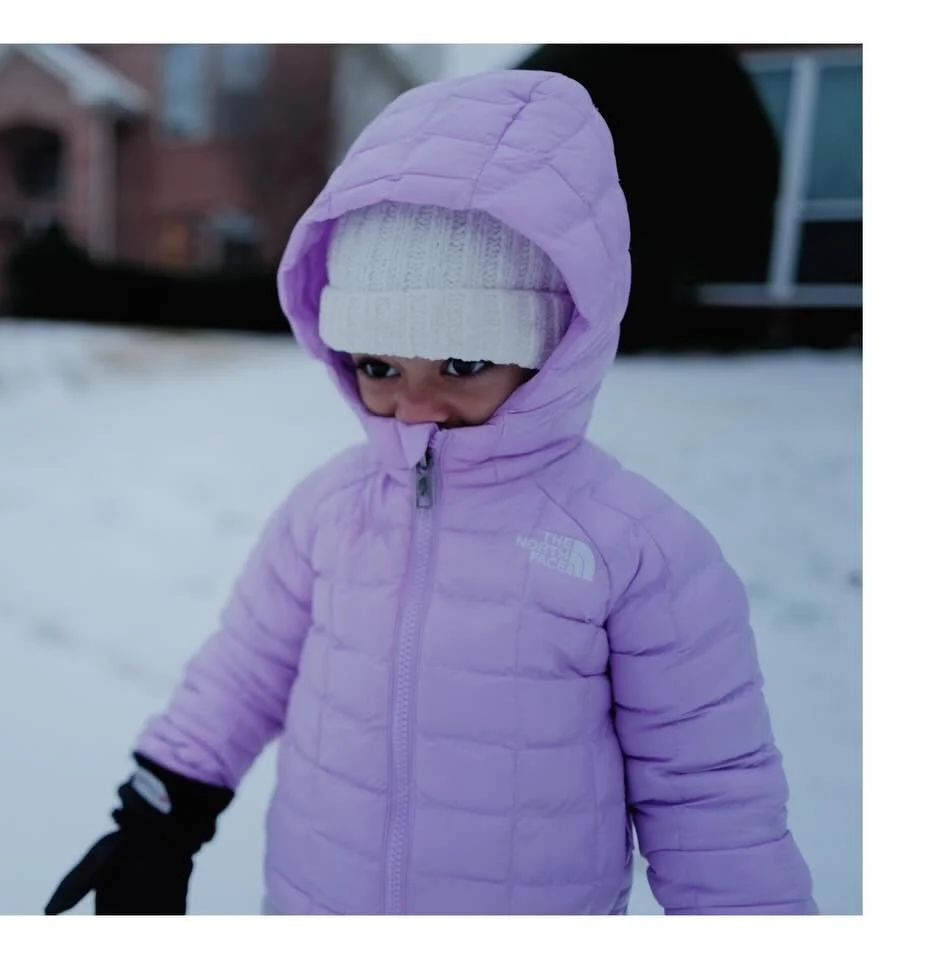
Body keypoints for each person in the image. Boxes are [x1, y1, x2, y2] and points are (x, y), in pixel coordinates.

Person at [44, 69, 817, 916]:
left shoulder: (635, 549)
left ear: (556, 349)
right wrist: (162, 811)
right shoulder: (329, 511)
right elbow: (245, 667)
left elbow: (712, 796)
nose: (414, 407)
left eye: (462, 363)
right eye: (379, 366)